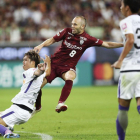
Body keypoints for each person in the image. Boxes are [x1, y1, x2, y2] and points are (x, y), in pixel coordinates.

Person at [34, 15, 123, 113]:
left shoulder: (88, 39)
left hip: (68, 67)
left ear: (82, 26)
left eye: (75, 24)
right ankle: (37, 107)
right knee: (36, 87)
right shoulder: (66, 31)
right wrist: (41, 45)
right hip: (53, 64)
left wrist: (124, 44)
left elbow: (107, 44)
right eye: (72, 24)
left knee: (70, 76)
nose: (72, 26)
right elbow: (52, 39)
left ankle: (60, 103)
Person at [0, 50, 51, 138]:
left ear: (32, 62)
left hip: (19, 109)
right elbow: (47, 73)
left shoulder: (30, 71)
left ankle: (8, 132)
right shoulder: (38, 73)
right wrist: (48, 64)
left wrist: (39, 70)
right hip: (23, 110)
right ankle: (8, 127)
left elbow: (36, 73)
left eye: (25, 60)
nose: (23, 62)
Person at [111, 0, 140, 140]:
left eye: (122, 5)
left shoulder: (126, 22)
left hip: (129, 68)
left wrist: (120, 60)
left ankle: (121, 139)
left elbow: (130, 40)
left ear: (127, 8)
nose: (121, 8)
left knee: (123, 107)